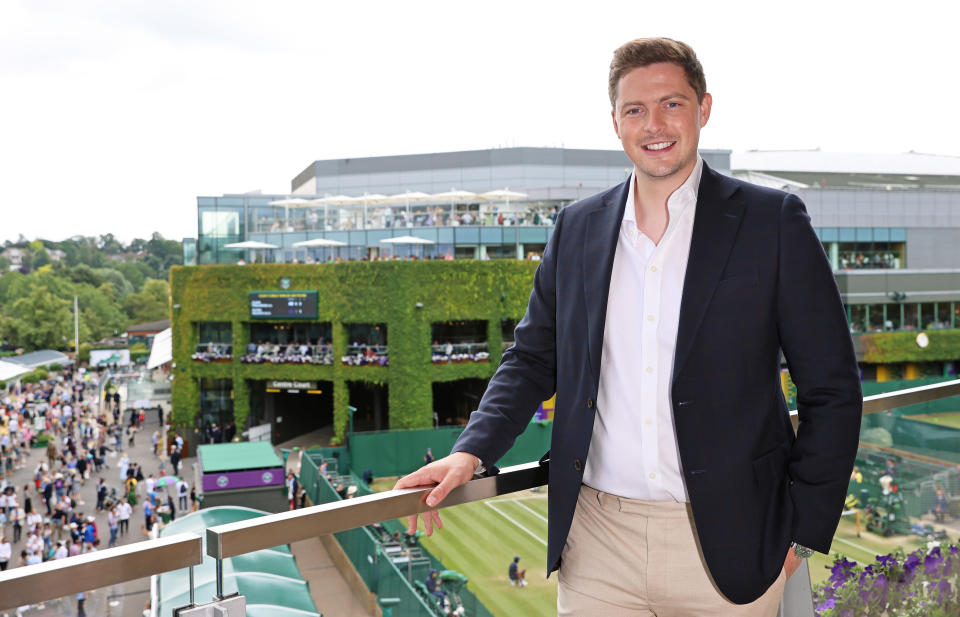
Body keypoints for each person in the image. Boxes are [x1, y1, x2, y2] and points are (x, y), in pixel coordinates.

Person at [396, 37, 862, 615]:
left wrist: (804, 530)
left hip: (733, 543)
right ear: (615, 122)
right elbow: (532, 358)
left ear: (704, 109)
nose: (654, 124)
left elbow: (833, 390)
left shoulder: (773, 221)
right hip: (597, 543)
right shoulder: (577, 227)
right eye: (635, 110)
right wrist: (470, 451)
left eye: (672, 103)